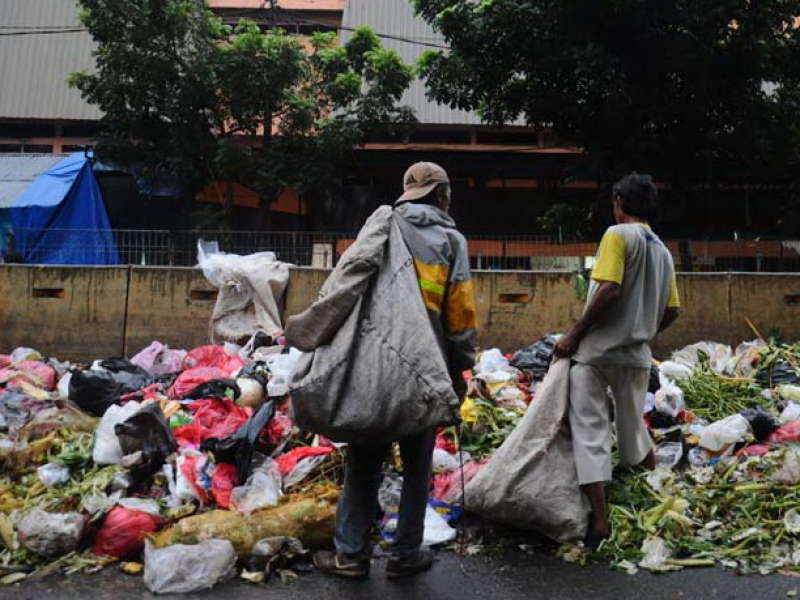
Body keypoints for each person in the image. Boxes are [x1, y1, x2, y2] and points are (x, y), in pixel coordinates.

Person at [314, 162, 478, 579]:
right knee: (416, 467)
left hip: (374, 367)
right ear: (443, 196)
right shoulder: (451, 242)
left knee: (364, 464)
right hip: (426, 370)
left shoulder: (380, 228)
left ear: (407, 195)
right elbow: (459, 319)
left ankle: (350, 555)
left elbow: (346, 290)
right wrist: (459, 372)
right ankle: (406, 554)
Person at [554, 173, 680, 548]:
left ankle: (601, 522)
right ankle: (656, 499)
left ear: (620, 202)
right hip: (637, 356)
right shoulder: (661, 249)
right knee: (633, 431)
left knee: (590, 431)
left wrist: (574, 335)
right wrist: (642, 329)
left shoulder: (617, 235)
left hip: (597, 354)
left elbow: (609, 289)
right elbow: (673, 310)